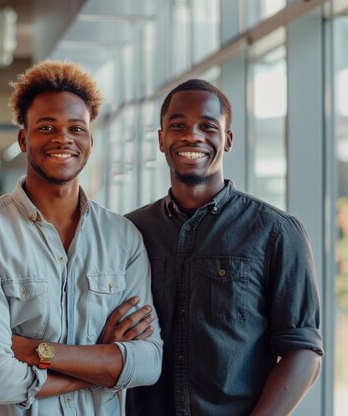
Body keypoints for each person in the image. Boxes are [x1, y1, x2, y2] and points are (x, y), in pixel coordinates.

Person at [0, 60, 162, 416]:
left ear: (90, 141)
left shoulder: (123, 238)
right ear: (23, 139)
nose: (63, 138)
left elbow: (149, 363)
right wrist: (104, 365)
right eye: (47, 127)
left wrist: (37, 351)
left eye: (76, 128)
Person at [124, 79, 323, 416]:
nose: (192, 135)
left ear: (227, 140)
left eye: (208, 126)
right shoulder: (129, 232)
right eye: (178, 125)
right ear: (161, 139)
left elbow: (302, 351)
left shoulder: (276, 232)